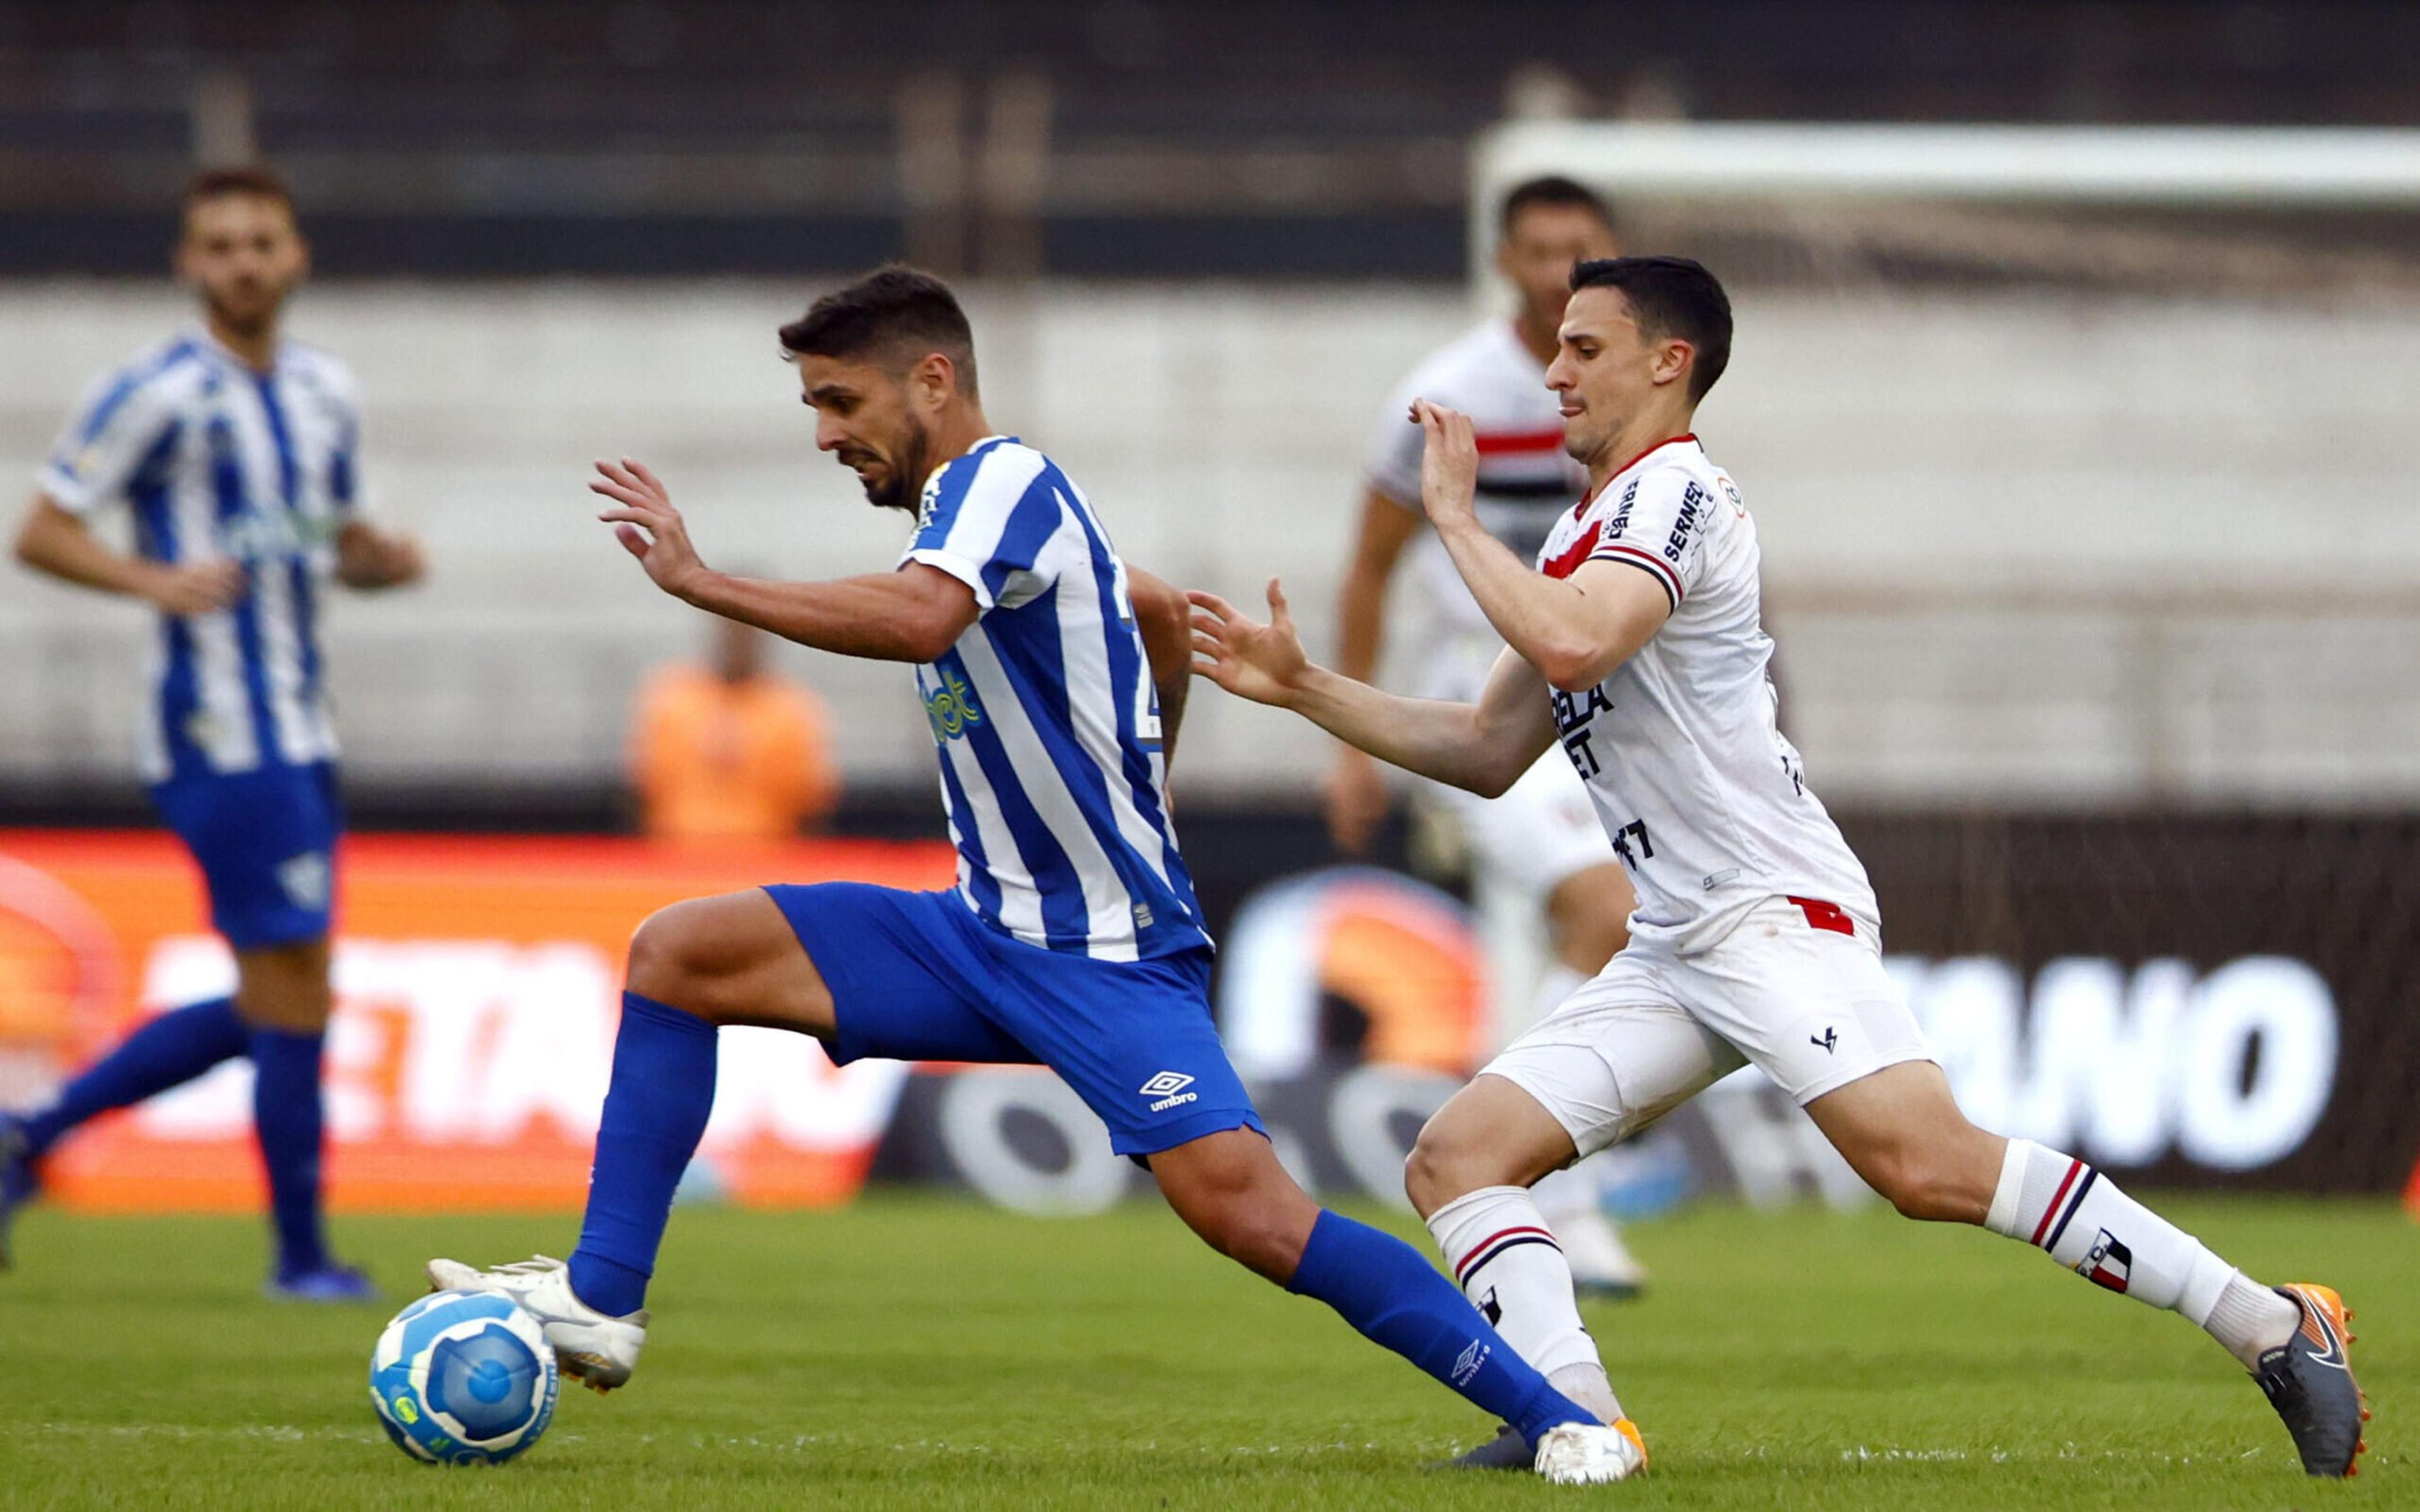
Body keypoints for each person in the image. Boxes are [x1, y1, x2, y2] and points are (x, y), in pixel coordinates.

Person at [429, 266, 1645, 1484]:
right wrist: (1146, 772)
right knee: (678, 954)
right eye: (813, 406)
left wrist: (704, 581)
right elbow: (1157, 609)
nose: (826, 435)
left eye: (840, 401)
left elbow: (917, 623)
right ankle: (601, 1298)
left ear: (935, 379)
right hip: (978, 932)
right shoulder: (971, 513)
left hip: (1106, 957)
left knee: (1256, 1220)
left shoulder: (999, 481)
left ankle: (1564, 1421)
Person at [1188, 255, 2367, 1478]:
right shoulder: (1589, 532)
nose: (1554, 371)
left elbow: (1579, 646)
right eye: (1556, 348)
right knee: (1460, 1158)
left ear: (1668, 362)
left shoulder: (1677, 497)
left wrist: (1451, 522)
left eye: (1585, 348)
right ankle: (1578, 1423)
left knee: (1926, 1165)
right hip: (1680, 940)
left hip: (1769, 915)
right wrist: (1307, 689)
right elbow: (1489, 749)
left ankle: (2275, 1326)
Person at [2, 166, 424, 1298]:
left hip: (301, 722)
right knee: (294, 992)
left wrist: (381, 564)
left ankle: (28, 1139)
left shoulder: (327, 393)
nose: (242, 262)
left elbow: (334, 547)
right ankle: (298, 1260)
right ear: (190, 266)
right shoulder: (155, 393)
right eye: (220, 245)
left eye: (260, 242)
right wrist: (152, 579)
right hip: (215, 729)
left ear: (296, 257)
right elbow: (39, 530)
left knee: (286, 992)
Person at [1330, 173, 1643, 1295]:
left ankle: (1531, 1167)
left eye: (1583, 246)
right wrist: (1352, 742)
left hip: (1605, 698)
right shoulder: (1449, 394)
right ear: (1506, 259)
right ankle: (1553, 1191)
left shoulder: (1639, 390)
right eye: (1542, 248)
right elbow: (1370, 564)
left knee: (1641, 930)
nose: (1562, 267)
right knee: (1608, 910)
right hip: (1484, 701)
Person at [631, 614, 840, 842]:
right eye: (731, 631)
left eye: (746, 633)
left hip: (767, 848)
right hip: (678, 847)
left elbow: (810, 797)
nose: (736, 643)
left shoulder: (791, 707)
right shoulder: (673, 697)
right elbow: (646, 784)